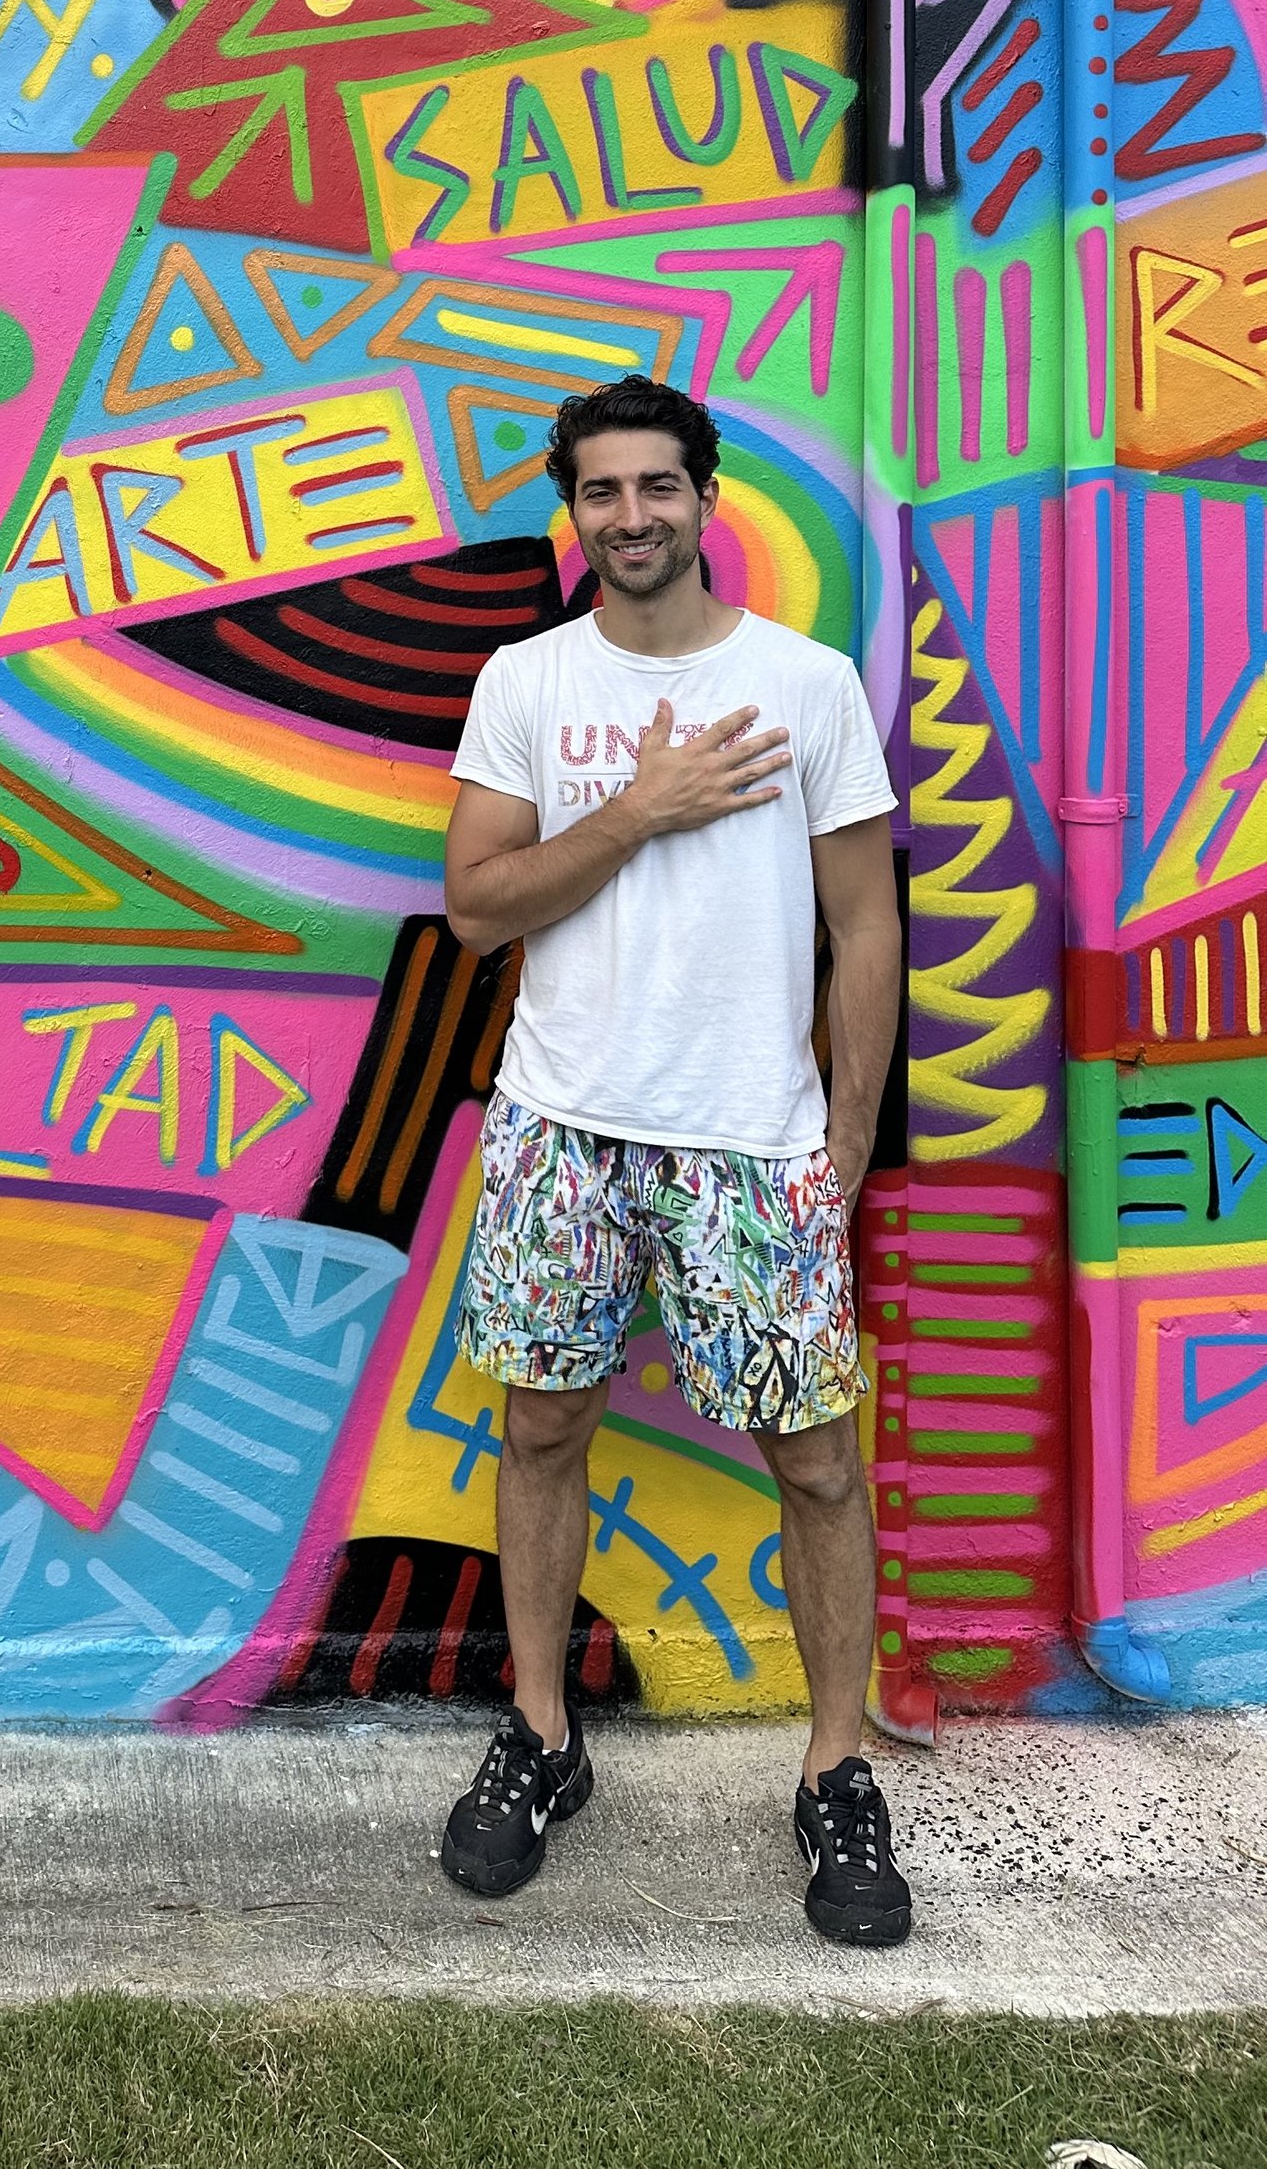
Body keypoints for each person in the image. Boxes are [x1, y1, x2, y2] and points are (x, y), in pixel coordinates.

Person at [433, 373, 909, 1948]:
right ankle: (543, 1737)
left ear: (708, 497)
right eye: (599, 491)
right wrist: (638, 807)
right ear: (571, 510)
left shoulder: (806, 684)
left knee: (822, 1460)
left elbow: (864, 923)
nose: (629, 515)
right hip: (564, 1131)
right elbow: (478, 905)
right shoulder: (526, 680)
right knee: (544, 1430)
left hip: (752, 1149)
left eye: (657, 486)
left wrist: (838, 1146)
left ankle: (836, 1770)